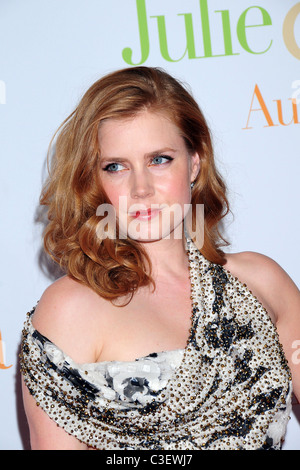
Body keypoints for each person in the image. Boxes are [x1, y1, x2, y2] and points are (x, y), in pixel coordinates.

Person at [20, 66, 300, 450]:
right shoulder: (69, 310)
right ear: (93, 181)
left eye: (159, 159)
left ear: (194, 163)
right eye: (115, 167)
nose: (140, 188)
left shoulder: (263, 282)